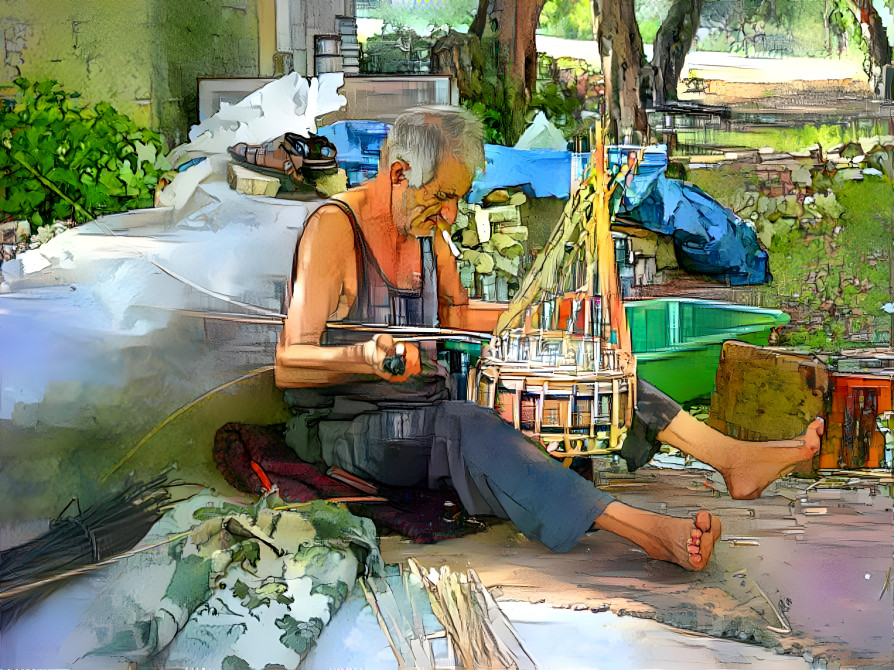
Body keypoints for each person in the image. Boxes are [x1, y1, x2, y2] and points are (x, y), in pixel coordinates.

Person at [275, 106, 824, 571]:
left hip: (427, 401)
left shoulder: (426, 233)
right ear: (398, 174)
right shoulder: (334, 230)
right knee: (467, 425)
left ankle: (728, 457)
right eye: (441, 197)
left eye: (457, 200)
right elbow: (290, 364)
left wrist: (555, 317)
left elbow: (457, 314)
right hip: (349, 428)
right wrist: (364, 357)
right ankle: (643, 530)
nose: (449, 215)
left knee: (580, 371)